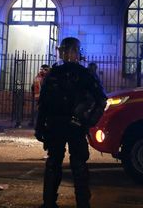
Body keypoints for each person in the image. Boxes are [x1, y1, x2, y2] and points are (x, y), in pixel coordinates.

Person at [35, 37, 107, 208]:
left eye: (68, 50)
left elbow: (100, 101)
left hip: (62, 125)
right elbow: (101, 100)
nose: (67, 54)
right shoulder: (77, 74)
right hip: (66, 125)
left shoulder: (58, 74)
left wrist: (87, 121)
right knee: (70, 165)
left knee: (63, 164)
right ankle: (68, 203)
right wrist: (88, 121)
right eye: (65, 51)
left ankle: (53, 203)